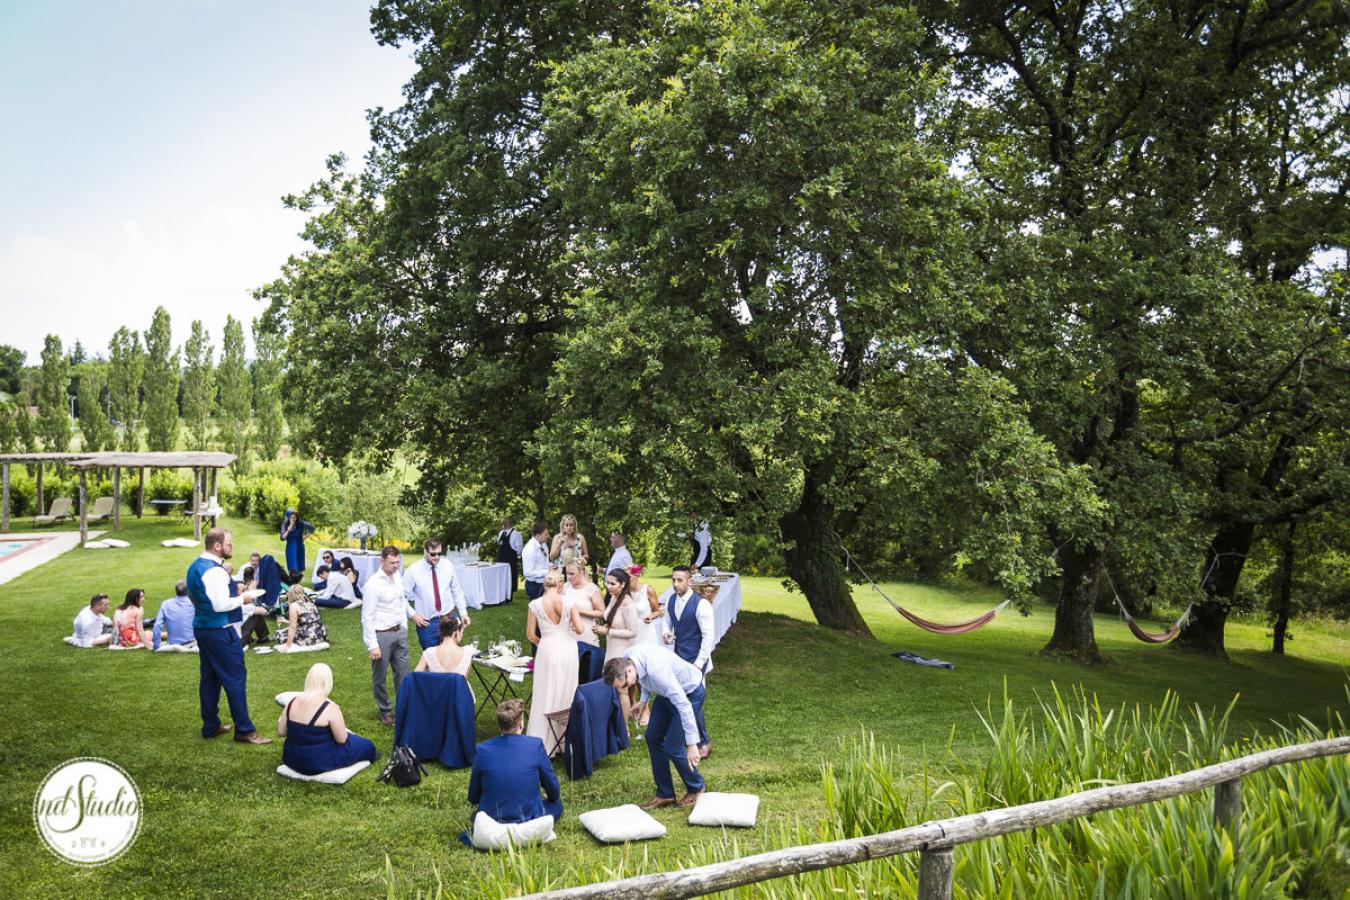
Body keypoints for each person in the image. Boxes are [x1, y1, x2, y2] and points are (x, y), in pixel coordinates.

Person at [188, 528, 271, 744]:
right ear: (217, 546)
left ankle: (210, 725)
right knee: (235, 678)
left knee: (210, 678)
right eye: (229, 544)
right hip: (219, 630)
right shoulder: (214, 571)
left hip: (203, 628)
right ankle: (244, 729)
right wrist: (243, 599)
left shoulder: (195, 566)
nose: (231, 547)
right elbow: (220, 604)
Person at [603, 646, 706, 810]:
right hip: (666, 693)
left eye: (624, 685)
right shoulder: (629, 657)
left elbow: (684, 705)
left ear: (629, 671)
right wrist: (643, 702)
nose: (625, 688)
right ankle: (665, 793)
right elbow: (644, 679)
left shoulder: (657, 671)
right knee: (652, 737)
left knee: (673, 747)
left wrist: (693, 744)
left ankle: (697, 787)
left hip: (689, 693)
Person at [468, 699, 563, 825]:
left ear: (499, 724)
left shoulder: (482, 749)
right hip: (529, 820)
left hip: (492, 820)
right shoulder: (535, 745)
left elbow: (473, 797)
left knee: (477, 815)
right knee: (557, 804)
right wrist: (549, 797)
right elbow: (553, 790)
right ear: (521, 723)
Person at [277, 663, 378, 776]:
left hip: (291, 758)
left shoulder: (292, 702)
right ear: (327, 682)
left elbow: (281, 732)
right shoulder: (330, 708)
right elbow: (341, 739)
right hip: (317, 762)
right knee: (367, 745)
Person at [525, 567, 583, 755]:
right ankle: (565, 741)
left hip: (547, 649)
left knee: (545, 691)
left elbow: (530, 635)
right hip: (567, 649)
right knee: (567, 690)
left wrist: (544, 643)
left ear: (544, 584)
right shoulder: (568, 601)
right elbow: (581, 629)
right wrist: (571, 628)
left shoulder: (535, 604)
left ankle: (543, 741)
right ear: (560, 584)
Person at [664, 565, 713, 756]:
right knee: (681, 699)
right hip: (679, 657)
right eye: (673, 580)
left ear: (689, 581)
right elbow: (667, 621)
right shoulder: (671, 599)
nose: (675, 584)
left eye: (679, 580)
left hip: (695, 659)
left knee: (693, 700)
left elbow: (709, 638)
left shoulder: (702, 605)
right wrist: (666, 633)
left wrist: (698, 665)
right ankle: (690, 739)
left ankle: (703, 742)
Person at [361, 545, 411, 727]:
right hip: (381, 635)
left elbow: (401, 602)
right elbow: (367, 617)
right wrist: (372, 644)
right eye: (392, 563)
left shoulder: (397, 576)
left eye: (398, 562)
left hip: (399, 632)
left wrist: (404, 626)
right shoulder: (373, 585)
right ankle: (385, 711)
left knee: (404, 674)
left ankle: (404, 709)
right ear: (382, 561)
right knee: (380, 677)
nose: (395, 566)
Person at [593, 568, 641, 722]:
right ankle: (613, 719)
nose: (608, 586)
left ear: (622, 584)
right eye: (607, 582)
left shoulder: (627, 604)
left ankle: (624, 727)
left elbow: (633, 631)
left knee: (622, 690)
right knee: (609, 685)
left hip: (622, 651)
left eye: (612, 583)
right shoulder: (614, 598)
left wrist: (608, 631)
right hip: (611, 648)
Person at [405, 539, 469, 650]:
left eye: (439, 553)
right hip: (428, 624)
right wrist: (413, 615)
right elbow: (400, 596)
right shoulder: (413, 570)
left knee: (452, 658)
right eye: (433, 554)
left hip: (449, 618)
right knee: (433, 661)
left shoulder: (448, 565)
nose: (437, 557)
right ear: (425, 552)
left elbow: (456, 590)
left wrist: (463, 613)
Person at [414, 613, 474, 699]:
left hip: (437, 698)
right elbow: (464, 678)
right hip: (461, 698)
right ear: (457, 632)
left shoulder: (429, 653)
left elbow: (416, 676)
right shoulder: (468, 652)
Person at [563, 558, 605, 650]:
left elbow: (601, 613)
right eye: (567, 573)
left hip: (586, 632)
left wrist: (579, 611)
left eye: (572, 574)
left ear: (581, 572)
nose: (569, 577)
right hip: (567, 632)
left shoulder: (591, 589)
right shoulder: (565, 587)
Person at [277, 584, 328, 652]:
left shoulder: (294, 606)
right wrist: (286, 621)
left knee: (280, 635)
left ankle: (294, 643)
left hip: (308, 638)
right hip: (320, 635)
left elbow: (293, 627)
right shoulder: (310, 603)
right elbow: (305, 622)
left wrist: (288, 645)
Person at [152, 581, 197, 650]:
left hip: (172, 642)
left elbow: (157, 625)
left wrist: (156, 645)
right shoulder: (194, 603)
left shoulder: (166, 604)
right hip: (192, 642)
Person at [628, 566, 665, 649]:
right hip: (629, 631)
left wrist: (650, 616)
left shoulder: (648, 590)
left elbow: (657, 611)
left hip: (645, 631)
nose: (626, 579)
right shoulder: (624, 592)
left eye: (629, 577)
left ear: (637, 575)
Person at [279, 508, 315, 575]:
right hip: (290, 547)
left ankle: (298, 583)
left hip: (300, 547)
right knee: (292, 567)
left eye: (294, 517)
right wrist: (289, 530)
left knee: (300, 567)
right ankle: (292, 583)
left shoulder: (301, 524)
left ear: (296, 517)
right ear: (288, 518)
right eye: (291, 517)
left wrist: (305, 537)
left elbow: (312, 528)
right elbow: (282, 538)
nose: (293, 519)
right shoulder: (285, 525)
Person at [495, 516, 523, 600]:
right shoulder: (501, 533)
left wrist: (515, 555)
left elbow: (519, 549)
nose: (503, 524)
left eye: (505, 522)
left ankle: (509, 596)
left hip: (510, 560)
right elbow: (499, 544)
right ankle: (501, 596)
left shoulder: (516, 534)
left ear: (509, 523)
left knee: (510, 578)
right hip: (501, 559)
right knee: (501, 578)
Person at [521, 521, 551, 601]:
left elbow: (544, 562)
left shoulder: (543, 545)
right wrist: (547, 572)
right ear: (538, 535)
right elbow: (527, 572)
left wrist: (552, 566)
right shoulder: (529, 549)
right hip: (534, 585)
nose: (548, 536)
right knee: (536, 611)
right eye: (546, 534)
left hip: (544, 583)